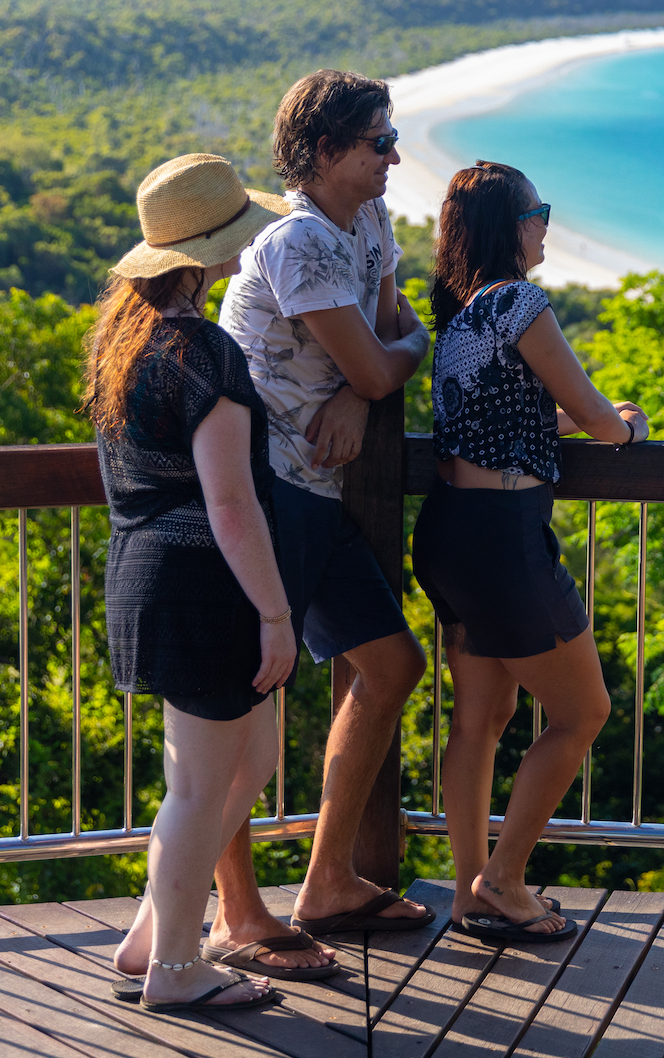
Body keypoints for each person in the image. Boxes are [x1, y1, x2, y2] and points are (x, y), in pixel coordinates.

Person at [85, 153, 340, 1012]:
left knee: (250, 758)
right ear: (208, 253)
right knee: (199, 785)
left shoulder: (127, 341)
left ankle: (153, 935)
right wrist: (275, 611)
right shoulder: (205, 352)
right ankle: (176, 970)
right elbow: (231, 503)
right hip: (204, 585)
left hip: (145, 578)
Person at [217, 70, 435, 934]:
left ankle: (328, 880)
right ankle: (238, 910)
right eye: (377, 141)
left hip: (318, 488)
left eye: (391, 136)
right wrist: (372, 376)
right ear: (321, 153)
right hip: (265, 488)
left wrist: (365, 386)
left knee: (392, 665)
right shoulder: (296, 242)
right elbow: (384, 358)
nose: (392, 153)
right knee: (240, 695)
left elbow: (390, 336)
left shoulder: (370, 223)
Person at [411, 161, 639, 943]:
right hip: (505, 540)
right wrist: (624, 423)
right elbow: (596, 419)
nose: (547, 224)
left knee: (482, 715)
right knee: (584, 711)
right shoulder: (520, 302)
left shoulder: (462, 315)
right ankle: (503, 880)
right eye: (539, 210)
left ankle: (471, 890)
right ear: (512, 226)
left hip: (449, 531)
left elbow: (517, 427)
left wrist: (587, 419)